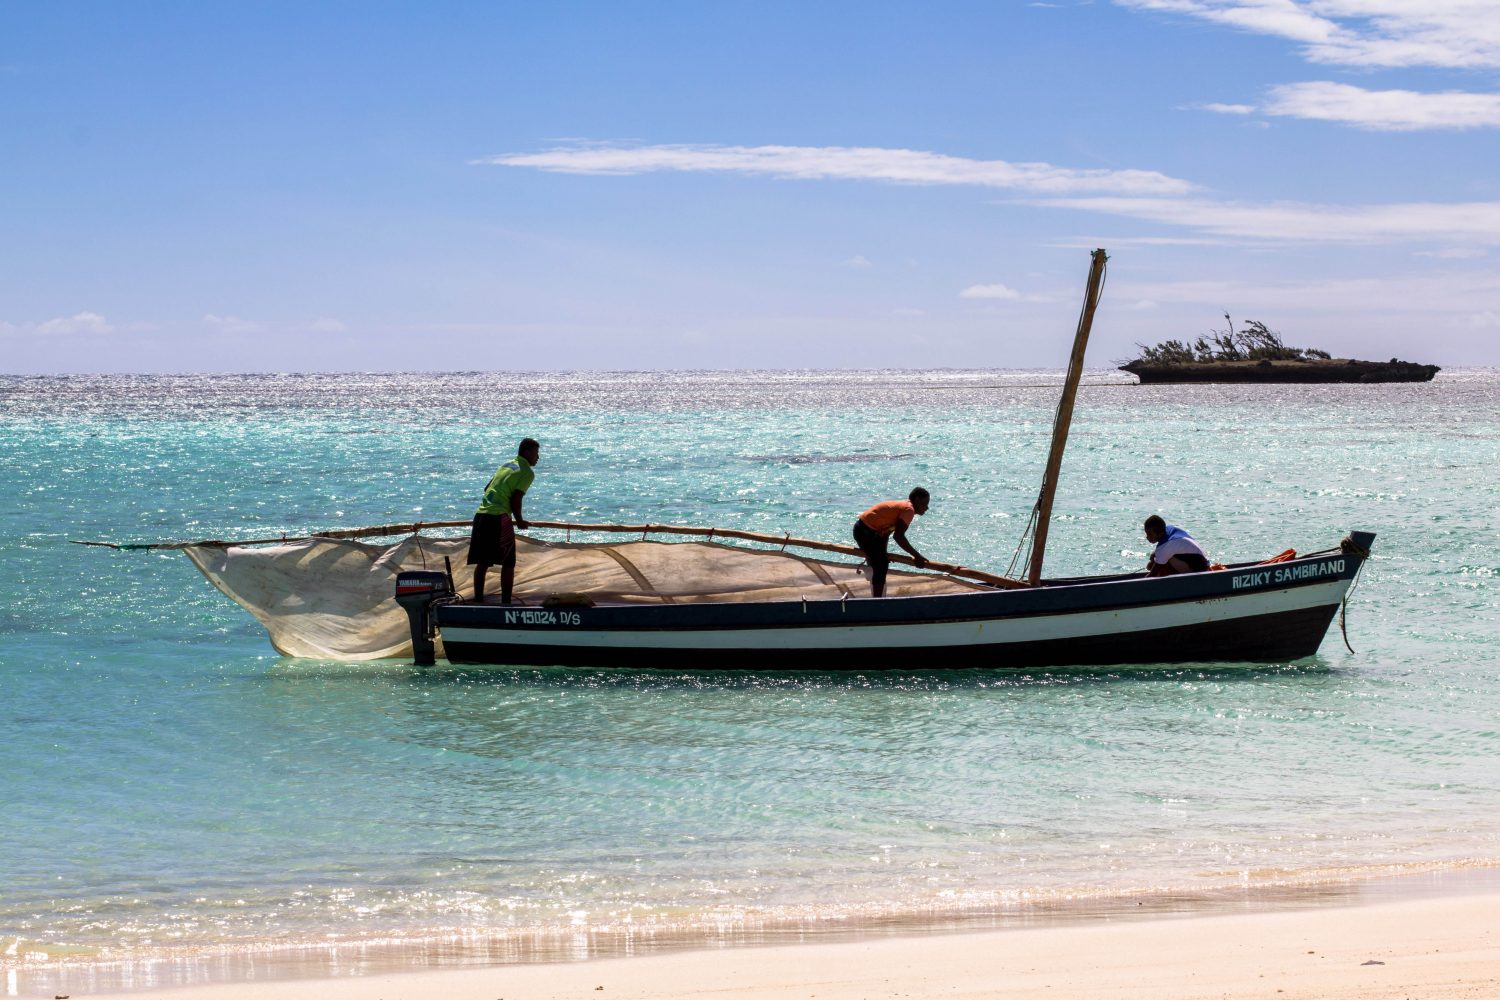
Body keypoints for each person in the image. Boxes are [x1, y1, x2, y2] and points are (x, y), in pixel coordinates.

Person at [468, 438, 540, 604]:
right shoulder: (527, 472)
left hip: (481, 515)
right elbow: (516, 498)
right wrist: (520, 521)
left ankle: (478, 601)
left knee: (483, 562)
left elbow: (487, 488)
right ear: (527, 452)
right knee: (508, 562)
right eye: (536, 453)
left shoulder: (506, 465)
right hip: (498, 517)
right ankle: (506, 604)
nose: (538, 458)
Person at [853, 488, 931, 597]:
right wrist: (917, 556)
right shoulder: (909, 510)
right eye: (925, 503)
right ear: (917, 500)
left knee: (880, 560)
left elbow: (887, 532)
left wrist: (882, 552)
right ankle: (877, 602)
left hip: (864, 530)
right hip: (865, 532)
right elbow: (898, 537)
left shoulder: (905, 507)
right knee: (881, 565)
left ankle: (876, 596)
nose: (927, 508)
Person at [1143, 514, 1210, 576]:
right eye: (1147, 533)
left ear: (1160, 534)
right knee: (1156, 556)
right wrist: (1154, 558)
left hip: (1199, 571)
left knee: (1161, 562)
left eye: (1150, 535)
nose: (1147, 537)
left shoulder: (1165, 547)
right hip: (1202, 562)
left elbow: (1152, 575)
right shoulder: (1169, 529)